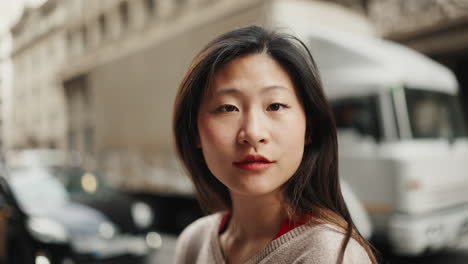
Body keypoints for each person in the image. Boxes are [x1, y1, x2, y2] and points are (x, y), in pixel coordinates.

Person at [172, 25, 378, 264]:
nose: (253, 133)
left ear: (309, 128)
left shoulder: (328, 254)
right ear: (195, 132)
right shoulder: (194, 242)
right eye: (228, 107)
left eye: (275, 106)